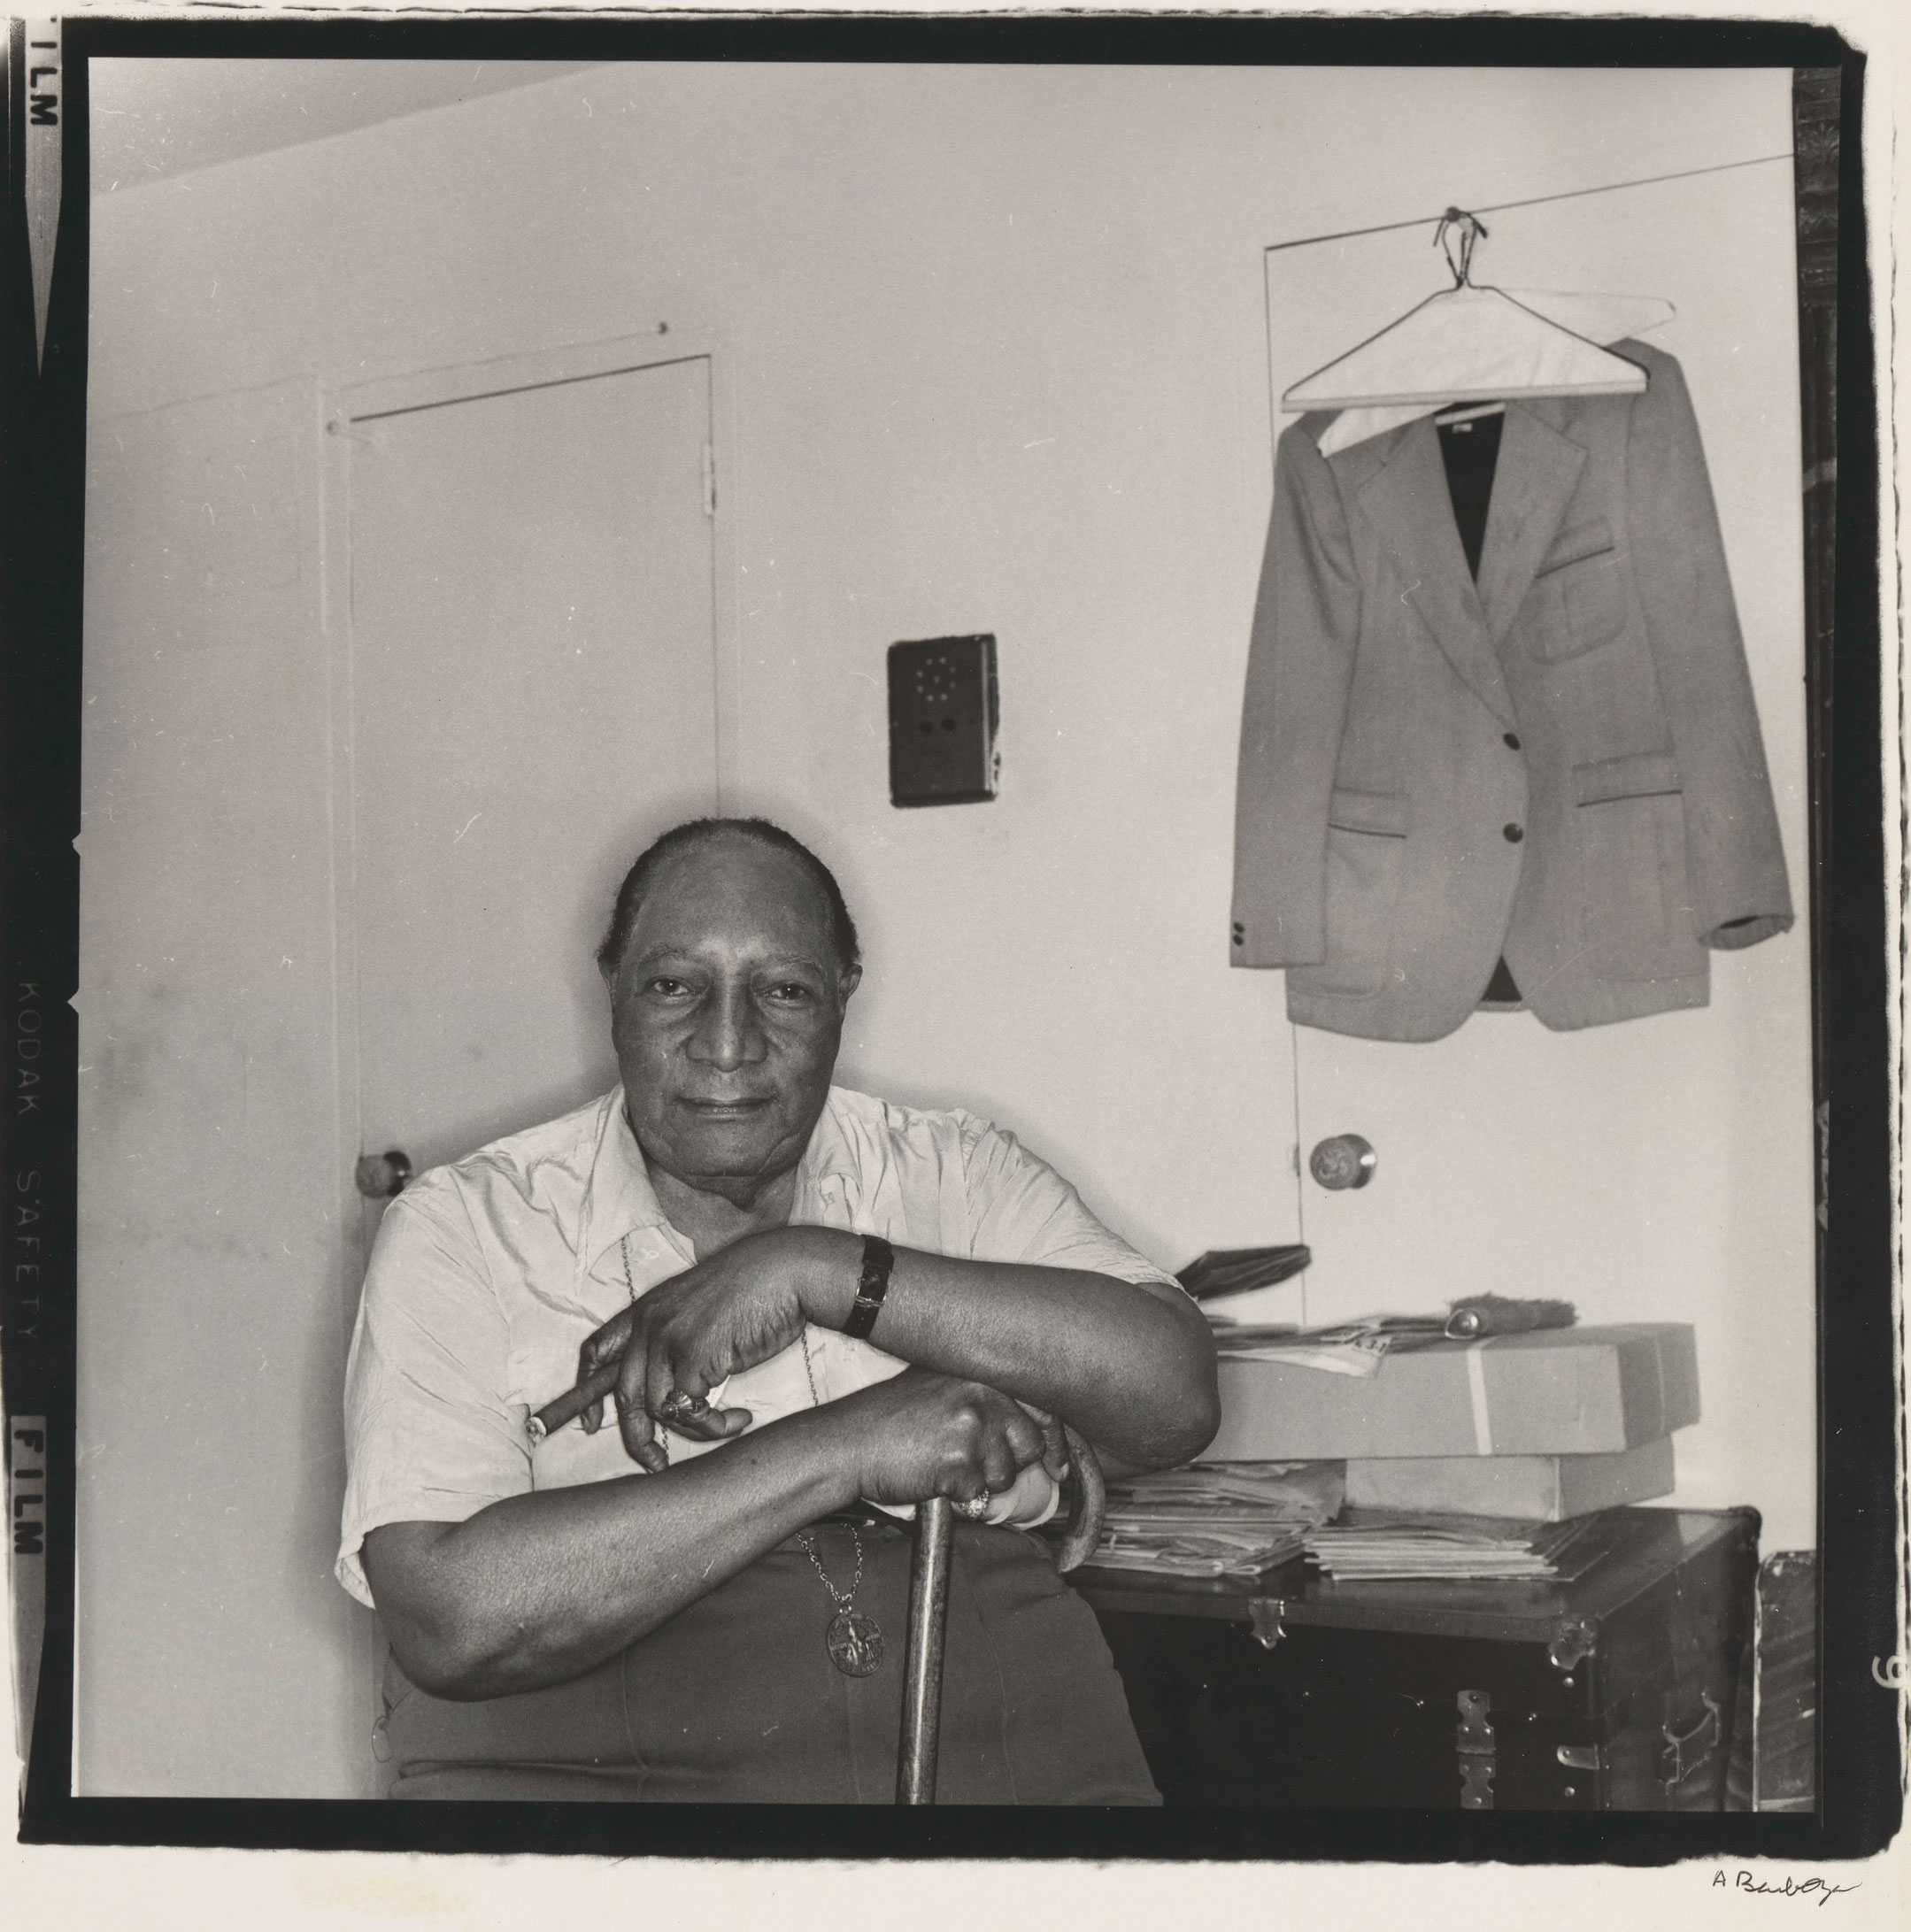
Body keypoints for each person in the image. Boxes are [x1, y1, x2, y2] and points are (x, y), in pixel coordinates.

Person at [337, 816, 1219, 1803]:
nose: (727, 1044)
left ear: (843, 996)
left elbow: (1173, 1395)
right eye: (675, 985)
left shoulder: (946, 1168)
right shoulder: (468, 1225)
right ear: (613, 991)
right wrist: (849, 1443)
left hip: (996, 1752)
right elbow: (450, 1619)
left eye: (783, 990)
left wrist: (821, 1270)